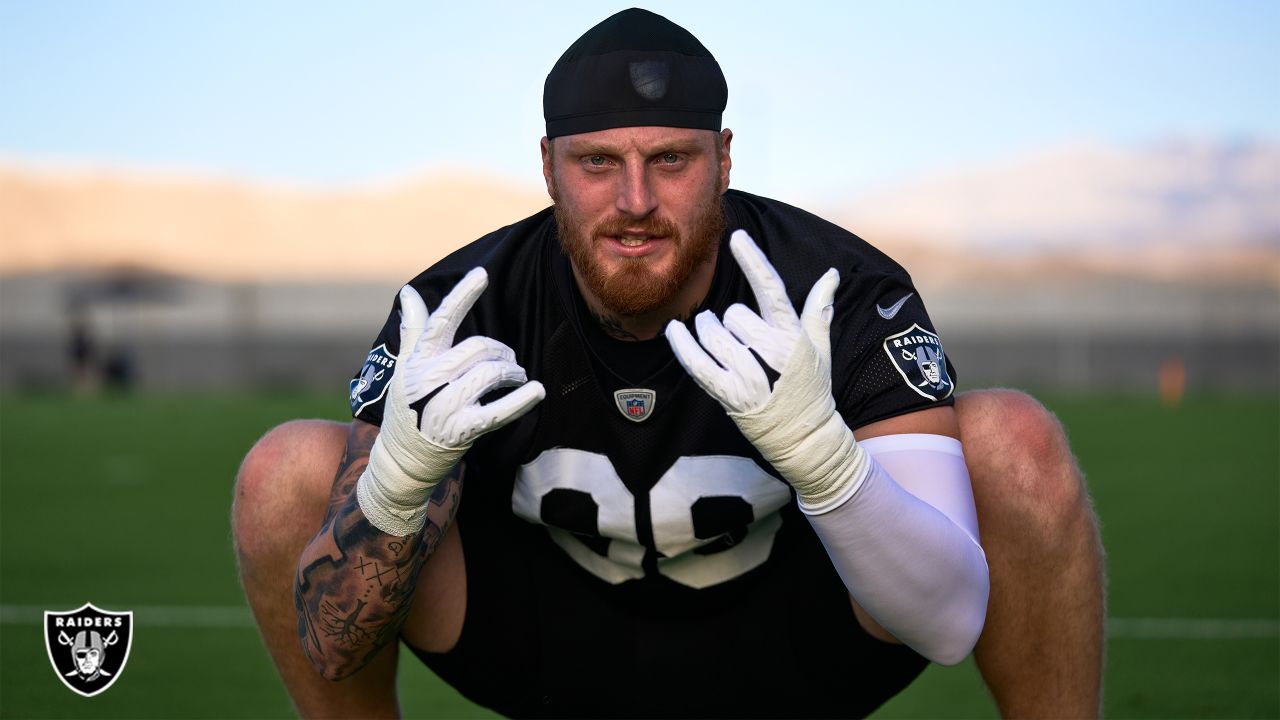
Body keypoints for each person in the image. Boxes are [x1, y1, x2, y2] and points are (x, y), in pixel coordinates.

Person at [234, 8, 1105, 718]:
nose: (636, 201)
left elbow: (947, 623)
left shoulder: (839, 289)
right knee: (286, 473)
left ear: (724, 159)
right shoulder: (466, 307)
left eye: (671, 160)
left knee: (1012, 442)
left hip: (798, 651)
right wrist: (394, 488)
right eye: (598, 162)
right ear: (548, 167)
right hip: (543, 656)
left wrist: (827, 464)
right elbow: (332, 643)